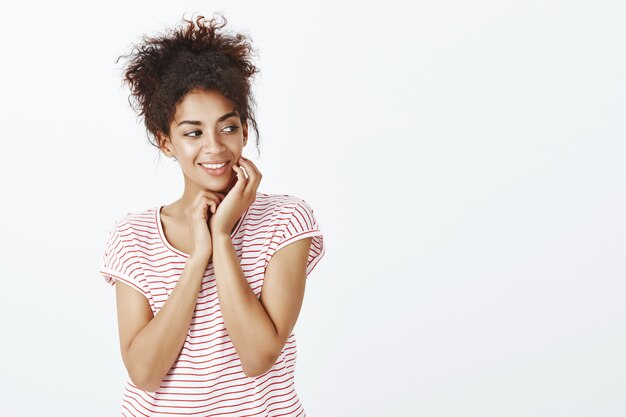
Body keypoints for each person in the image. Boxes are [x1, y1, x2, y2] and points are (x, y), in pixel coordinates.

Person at [99, 13, 325, 417]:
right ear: (166, 142)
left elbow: (258, 357)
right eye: (193, 132)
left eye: (228, 127)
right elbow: (145, 373)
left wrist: (222, 238)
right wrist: (197, 257)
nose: (215, 147)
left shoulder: (286, 221)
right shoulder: (133, 237)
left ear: (245, 131)